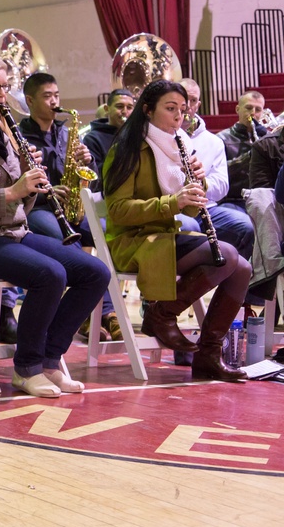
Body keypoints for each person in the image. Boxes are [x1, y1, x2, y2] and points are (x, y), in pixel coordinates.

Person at [0, 56, 110, 398]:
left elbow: (20, 205)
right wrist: (13, 190)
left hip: (12, 233)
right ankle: (26, 369)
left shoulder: (6, 134)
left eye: (4, 86)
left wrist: (31, 187)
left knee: (94, 272)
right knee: (50, 274)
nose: (2, 95)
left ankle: (49, 361)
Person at [104, 79, 251, 382]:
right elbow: (118, 210)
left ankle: (208, 355)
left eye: (183, 110)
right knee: (225, 253)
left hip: (162, 235)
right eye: (170, 109)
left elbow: (186, 211)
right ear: (147, 110)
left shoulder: (176, 146)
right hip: (133, 242)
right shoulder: (127, 149)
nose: (178, 117)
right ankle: (163, 313)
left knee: (242, 268)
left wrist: (197, 187)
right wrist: (174, 201)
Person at [19, 72, 121, 343]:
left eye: (56, 95)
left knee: (107, 234)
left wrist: (88, 162)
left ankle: (96, 313)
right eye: (47, 96)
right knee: (67, 243)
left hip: (69, 208)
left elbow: (87, 178)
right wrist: (48, 192)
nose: (54, 101)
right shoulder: (19, 136)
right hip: (37, 209)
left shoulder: (66, 134)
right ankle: (96, 313)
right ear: (30, 100)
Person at [178, 78, 254, 261]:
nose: (188, 105)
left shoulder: (213, 142)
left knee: (246, 227)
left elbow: (221, 187)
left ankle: (238, 282)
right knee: (190, 228)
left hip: (207, 208)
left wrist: (202, 183)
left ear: (199, 104)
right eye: (184, 99)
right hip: (174, 208)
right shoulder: (163, 135)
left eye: (193, 100)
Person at [217, 90, 267, 205]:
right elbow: (220, 173)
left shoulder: (265, 138)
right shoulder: (221, 139)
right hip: (233, 200)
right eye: (248, 108)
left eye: (258, 110)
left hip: (261, 200)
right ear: (237, 109)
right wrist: (248, 156)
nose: (253, 113)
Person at [83, 88, 134, 180]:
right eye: (119, 106)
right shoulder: (92, 139)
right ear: (107, 109)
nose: (125, 112)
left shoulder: (135, 135)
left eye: (129, 107)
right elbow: (96, 175)